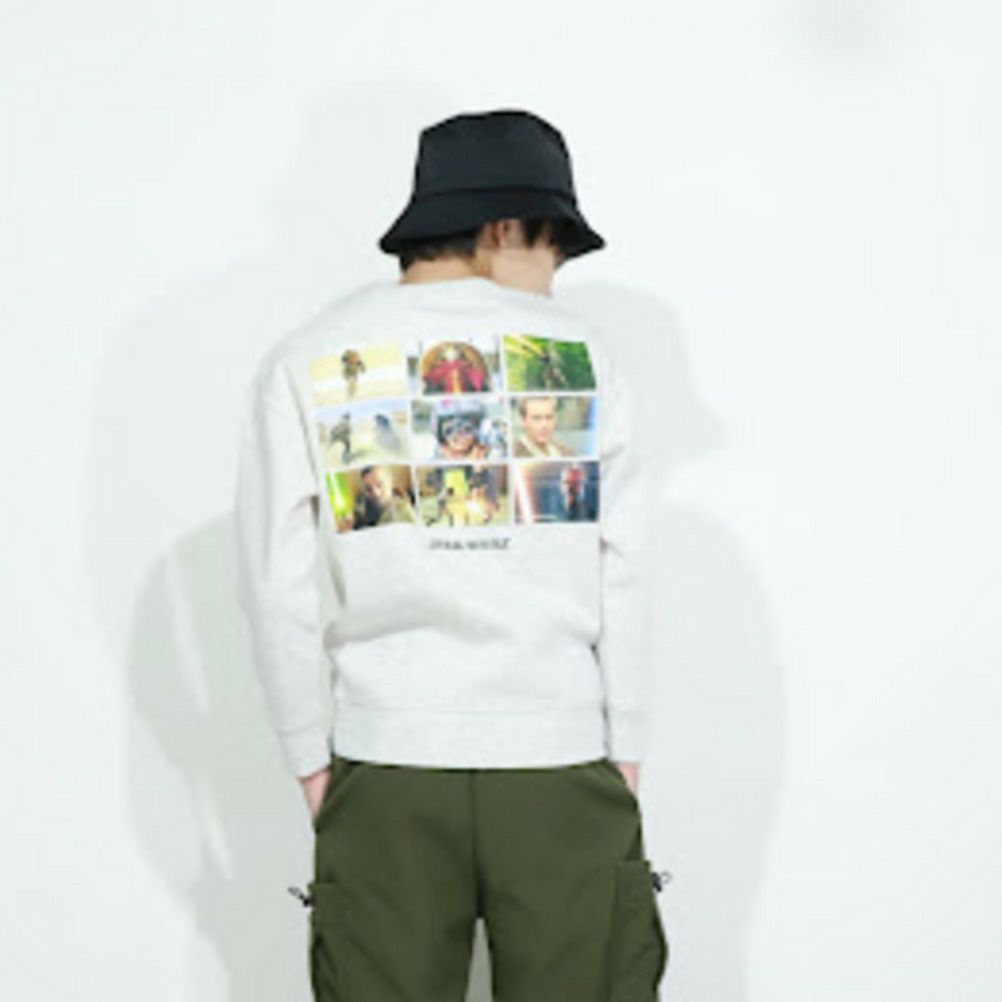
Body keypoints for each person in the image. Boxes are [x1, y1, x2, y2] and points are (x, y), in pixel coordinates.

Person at [233, 108, 669, 1000]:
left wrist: (311, 758)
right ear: (504, 228)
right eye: (553, 248)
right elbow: (623, 570)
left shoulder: (305, 357)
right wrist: (622, 751)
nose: (553, 277)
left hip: (385, 760)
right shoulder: (586, 355)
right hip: (557, 758)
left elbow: (274, 582)